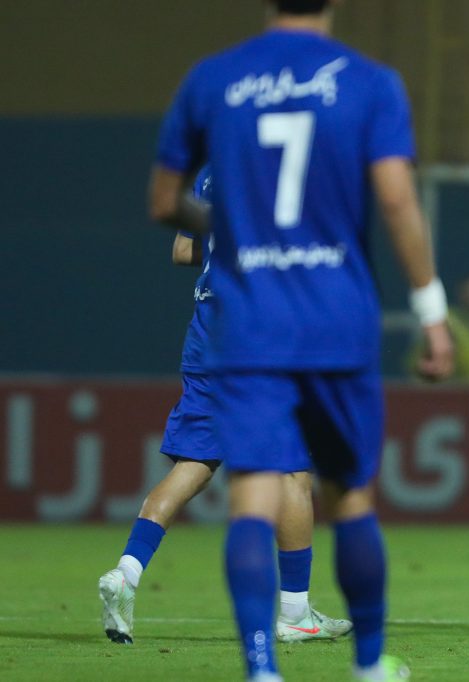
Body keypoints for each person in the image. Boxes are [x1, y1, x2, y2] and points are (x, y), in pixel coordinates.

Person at [148, 1, 454, 680]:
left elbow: (165, 203)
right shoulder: (370, 82)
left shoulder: (213, 79)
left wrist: (234, 230)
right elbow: (397, 200)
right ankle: (368, 666)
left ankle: (261, 668)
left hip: (250, 321)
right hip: (334, 318)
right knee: (350, 495)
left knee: (253, 492)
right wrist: (432, 311)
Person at [98, 169, 351, 646]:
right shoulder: (284, 162)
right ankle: (295, 613)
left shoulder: (211, 172)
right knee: (292, 473)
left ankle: (126, 573)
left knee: (194, 464)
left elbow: (182, 250)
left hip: (208, 336)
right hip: (263, 337)